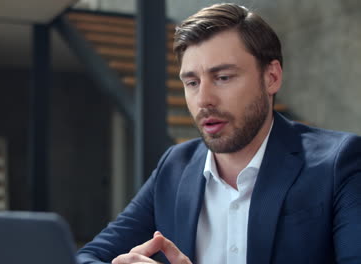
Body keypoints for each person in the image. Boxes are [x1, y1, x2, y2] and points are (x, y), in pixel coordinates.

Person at [76, 3, 361, 264]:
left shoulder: (340, 163)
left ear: (271, 77)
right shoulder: (174, 166)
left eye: (223, 77)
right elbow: (88, 256)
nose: (203, 100)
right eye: (192, 82)